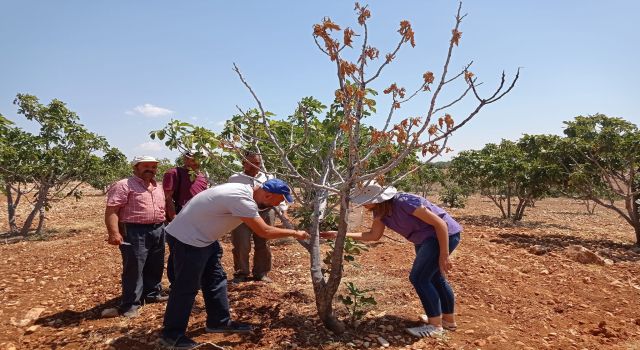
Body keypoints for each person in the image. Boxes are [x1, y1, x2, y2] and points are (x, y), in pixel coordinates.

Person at [159, 179, 309, 349]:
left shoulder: (245, 191)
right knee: (186, 287)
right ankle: (171, 335)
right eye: (279, 200)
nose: (279, 204)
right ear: (267, 194)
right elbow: (264, 231)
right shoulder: (242, 199)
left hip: (205, 239)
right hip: (188, 239)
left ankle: (219, 322)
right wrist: (296, 233)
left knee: (216, 279)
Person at [321, 182, 462, 338]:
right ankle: (448, 321)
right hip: (423, 239)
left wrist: (444, 254)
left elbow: (440, 224)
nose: (361, 203)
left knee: (419, 278)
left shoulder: (405, 202)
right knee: (434, 277)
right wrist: (339, 234)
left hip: (442, 235)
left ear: (377, 198)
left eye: (364, 200)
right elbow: (373, 235)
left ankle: (435, 326)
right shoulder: (379, 211)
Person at [105, 156, 167, 318]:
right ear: (136, 167)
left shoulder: (157, 186)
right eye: (146, 166)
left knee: (155, 264)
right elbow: (112, 210)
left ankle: (152, 294)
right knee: (134, 267)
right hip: (134, 231)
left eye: (153, 167)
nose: (150, 169)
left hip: (158, 229)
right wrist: (114, 233)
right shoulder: (124, 185)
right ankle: (130, 304)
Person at [227, 151, 289, 283]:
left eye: (257, 163)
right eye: (251, 163)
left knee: (264, 242)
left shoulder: (268, 176)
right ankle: (241, 273)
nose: (255, 165)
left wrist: (284, 211)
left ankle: (261, 273)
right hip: (242, 215)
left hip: (265, 212)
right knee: (241, 243)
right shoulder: (234, 178)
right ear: (244, 163)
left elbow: (278, 195)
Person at [163, 151, 208, 287]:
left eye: (200, 159)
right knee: (178, 250)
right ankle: (176, 282)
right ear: (185, 159)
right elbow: (167, 196)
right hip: (180, 216)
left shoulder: (202, 176)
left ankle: (193, 280)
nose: (196, 162)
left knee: (196, 248)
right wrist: (173, 217)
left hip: (198, 217)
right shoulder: (173, 173)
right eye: (193, 159)